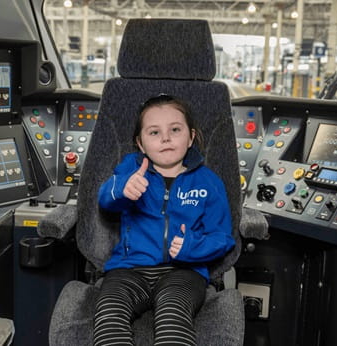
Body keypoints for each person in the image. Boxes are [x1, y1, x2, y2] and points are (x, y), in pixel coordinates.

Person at [93, 94, 235, 346]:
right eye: (154, 132)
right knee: (108, 315)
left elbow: (222, 237)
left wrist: (191, 247)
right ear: (140, 142)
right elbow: (105, 198)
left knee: (173, 315)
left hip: (183, 272)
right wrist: (123, 189)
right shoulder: (130, 171)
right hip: (128, 269)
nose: (166, 138)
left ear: (191, 137)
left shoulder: (208, 182)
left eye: (175, 130)